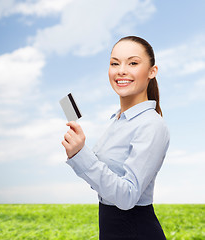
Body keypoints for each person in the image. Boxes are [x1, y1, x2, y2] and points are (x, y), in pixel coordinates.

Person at [61, 36, 170, 240]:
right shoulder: (116, 120)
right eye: (114, 63)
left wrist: (81, 154)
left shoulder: (151, 125)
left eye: (133, 63)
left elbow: (127, 197)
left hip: (136, 231)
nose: (121, 70)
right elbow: (104, 185)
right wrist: (80, 154)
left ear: (152, 71)